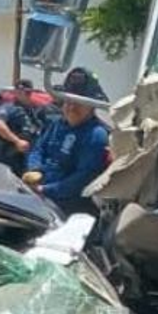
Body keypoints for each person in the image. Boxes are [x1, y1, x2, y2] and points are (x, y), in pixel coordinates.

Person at [23, 69, 110, 215]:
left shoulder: (96, 135)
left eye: (79, 103)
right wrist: (35, 170)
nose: (71, 107)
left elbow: (82, 178)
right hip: (40, 195)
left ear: (92, 106)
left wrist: (45, 190)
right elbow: (38, 149)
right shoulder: (57, 124)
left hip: (67, 208)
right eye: (68, 101)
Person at [0, 80, 44, 175]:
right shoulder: (8, 108)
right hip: (11, 154)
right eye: (20, 91)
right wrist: (17, 141)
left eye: (28, 92)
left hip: (28, 156)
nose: (25, 95)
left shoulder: (33, 110)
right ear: (15, 92)